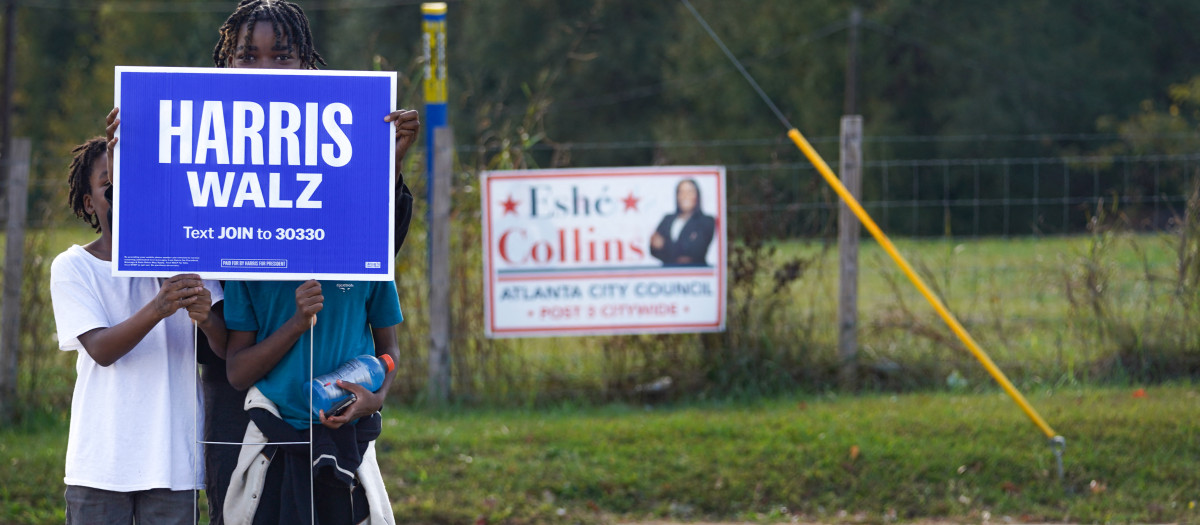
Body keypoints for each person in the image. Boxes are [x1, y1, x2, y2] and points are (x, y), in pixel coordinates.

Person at [104, 1, 419, 522]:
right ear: (225, 62)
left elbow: (370, 253)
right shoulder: (195, 132)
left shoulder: (333, 140)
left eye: (282, 57)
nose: (265, 71)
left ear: (307, 65)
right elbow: (155, 224)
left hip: (322, 388)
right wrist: (131, 159)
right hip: (231, 375)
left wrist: (389, 163)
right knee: (240, 504)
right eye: (248, 57)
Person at [50, 137, 226, 524]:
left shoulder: (187, 260)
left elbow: (224, 349)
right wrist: (158, 308)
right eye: (110, 186)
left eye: (138, 181)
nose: (126, 194)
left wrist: (207, 319)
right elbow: (101, 349)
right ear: (88, 203)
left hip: (171, 463)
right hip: (99, 464)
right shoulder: (73, 267)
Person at [649, 178, 716, 266]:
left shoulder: (707, 221)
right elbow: (654, 249)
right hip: (668, 274)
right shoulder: (667, 219)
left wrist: (664, 245)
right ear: (677, 196)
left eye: (689, 192)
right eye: (681, 192)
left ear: (697, 196)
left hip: (696, 275)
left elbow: (696, 252)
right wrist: (679, 254)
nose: (685, 196)